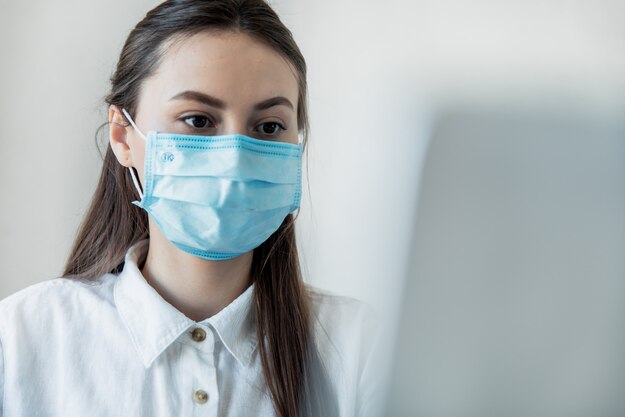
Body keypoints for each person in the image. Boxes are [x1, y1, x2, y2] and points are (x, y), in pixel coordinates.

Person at [0, 1, 380, 416]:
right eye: (198, 120)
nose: (235, 159)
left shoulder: (362, 347)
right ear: (123, 136)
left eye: (269, 127)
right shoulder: (22, 338)